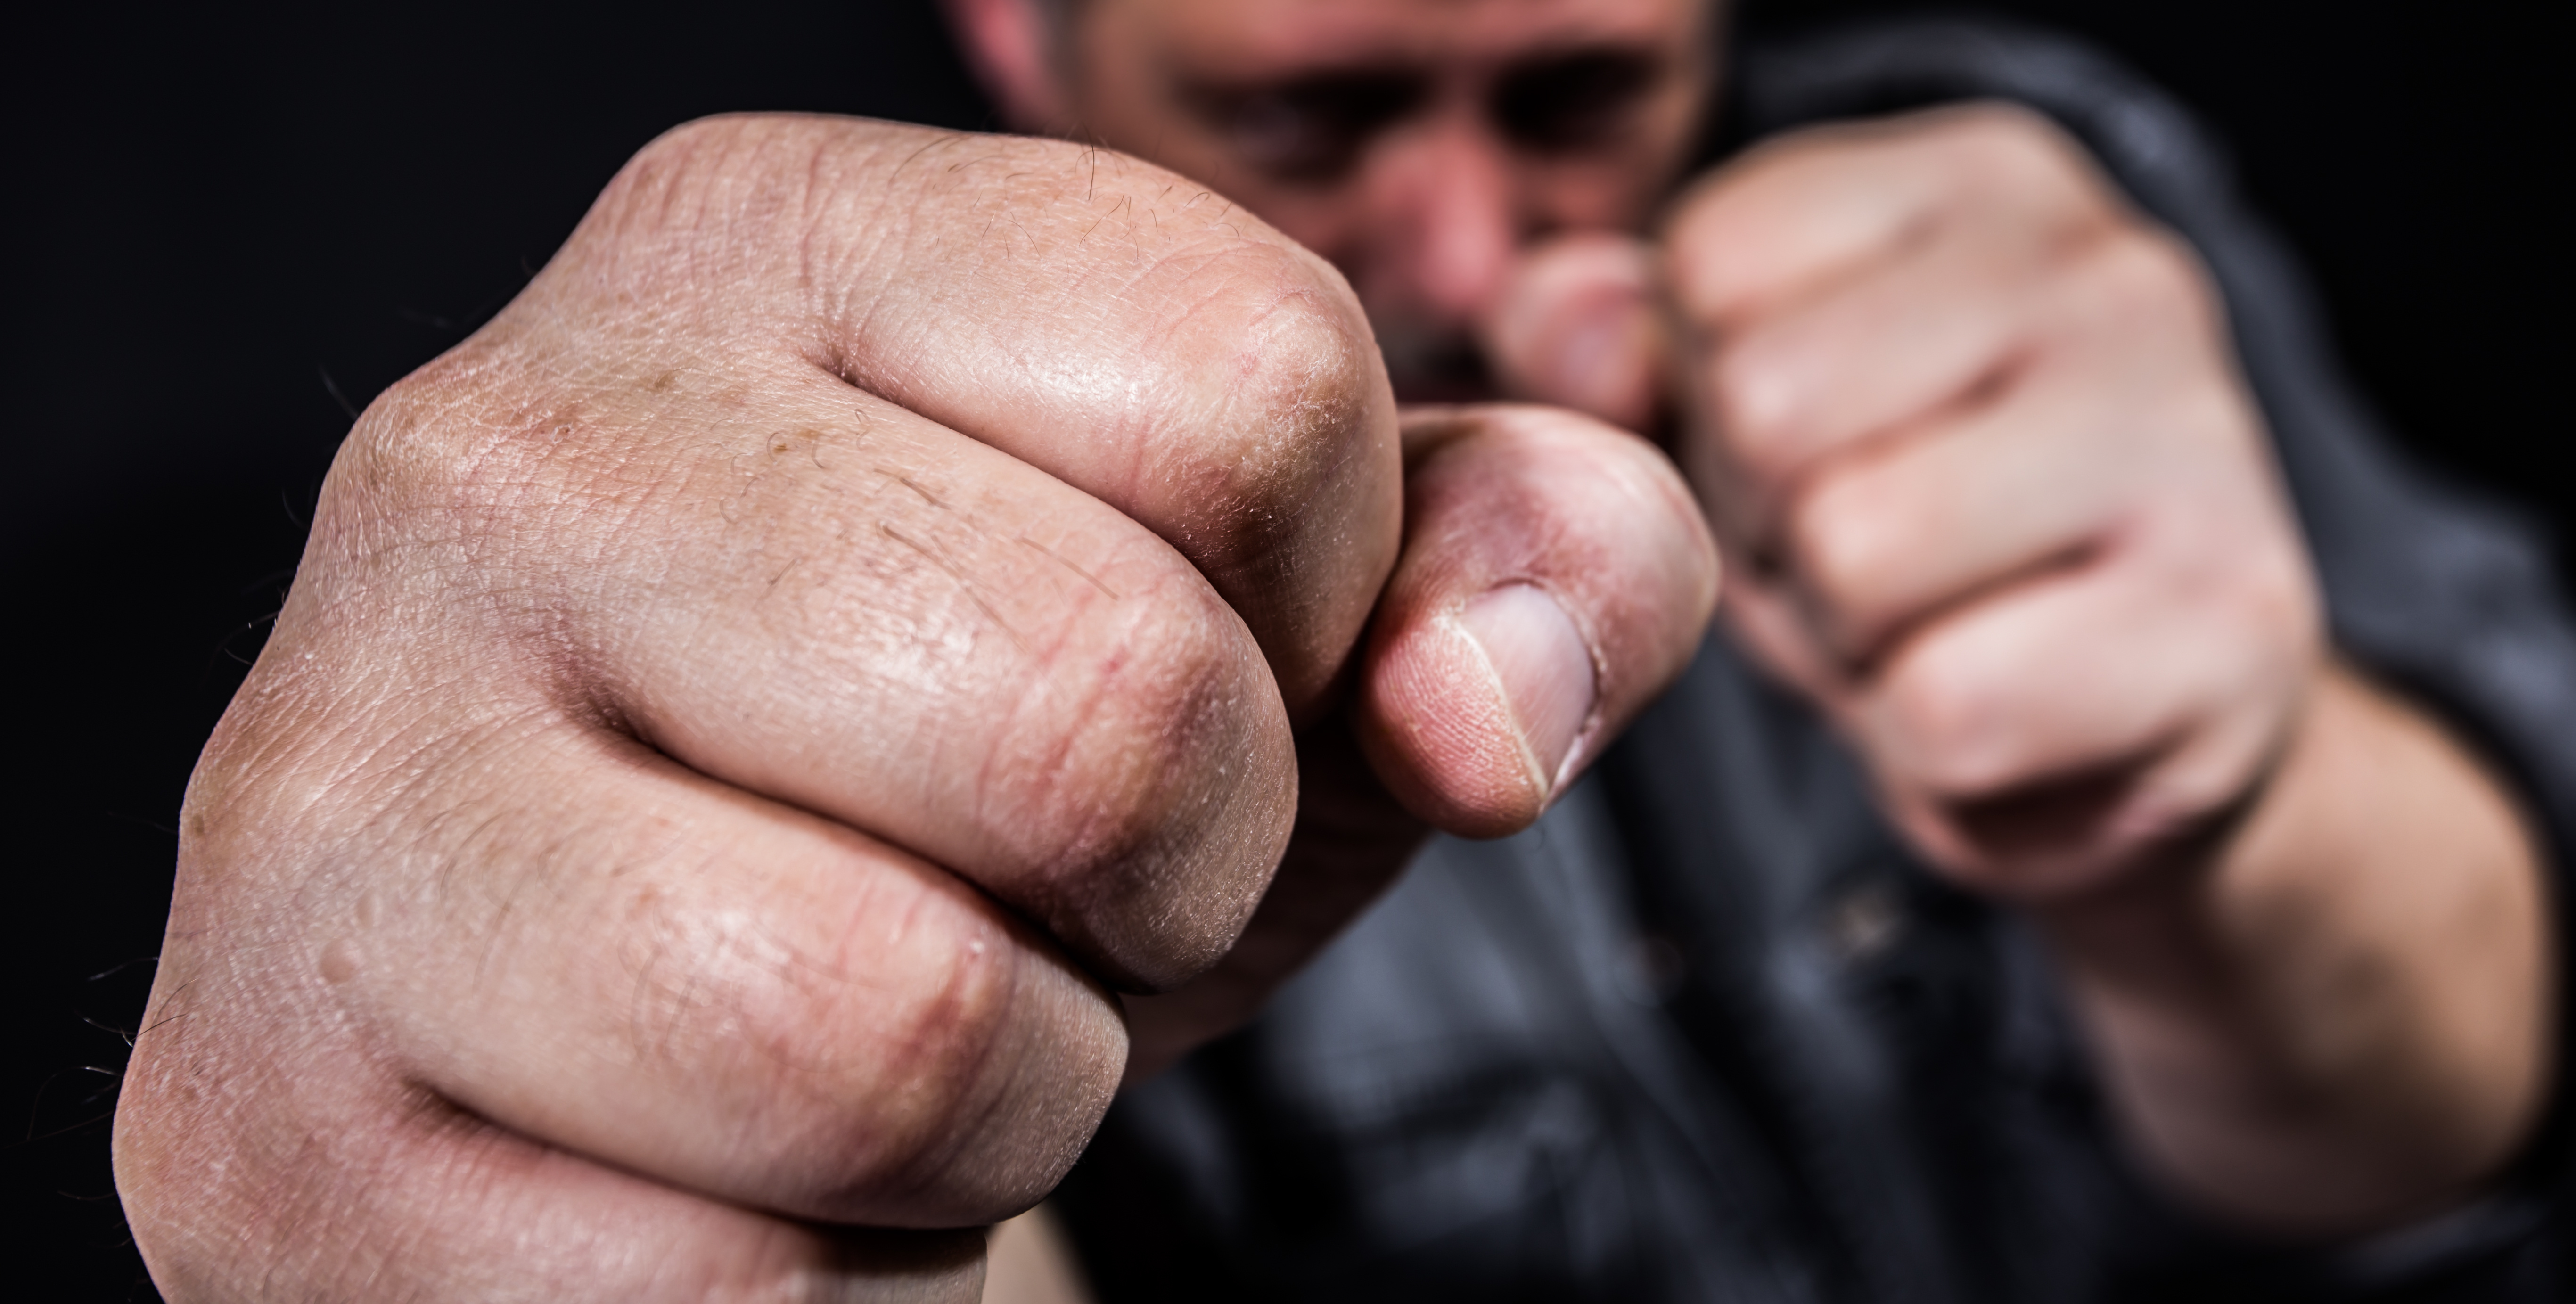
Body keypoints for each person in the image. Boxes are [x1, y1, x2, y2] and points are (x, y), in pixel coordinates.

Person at [107, 0, 2566, 1299]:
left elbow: (2458, 1095)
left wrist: (2214, 810)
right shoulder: (807, 459)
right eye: (1316, 112)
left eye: (1584, 93)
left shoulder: (2031, 207)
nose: (1476, 252)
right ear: (1023, 33)